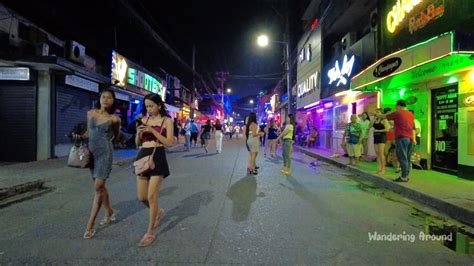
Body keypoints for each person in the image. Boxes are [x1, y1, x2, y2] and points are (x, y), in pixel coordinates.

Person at [74, 88, 121, 240]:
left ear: (113, 101)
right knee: (100, 186)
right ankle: (110, 212)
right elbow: (88, 132)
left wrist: (105, 142)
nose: (106, 99)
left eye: (109, 98)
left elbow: (116, 135)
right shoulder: (90, 114)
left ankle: (90, 225)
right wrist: (80, 136)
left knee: (97, 187)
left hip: (105, 153)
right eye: (103, 97)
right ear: (99, 98)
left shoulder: (114, 119)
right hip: (91, 153)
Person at [134, 93, 174, 247]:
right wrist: (138, 134)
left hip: (157, 156)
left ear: (159, 105)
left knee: (151, 197)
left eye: (151, 106)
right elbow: (137, 143)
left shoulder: (167, 120)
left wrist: (152, 130)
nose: (149, 109)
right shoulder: (144, 120)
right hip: (142, 156)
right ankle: (158, 212)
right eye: (146, 106)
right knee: (142, 197)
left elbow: (169, 142)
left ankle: (149, 233)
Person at [378, 100, 415, 182]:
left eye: (396, 106)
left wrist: (377, 115)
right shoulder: (411, 114)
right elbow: (411, 127)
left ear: (399, 106)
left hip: (402, 138)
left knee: (402, 157)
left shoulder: (398, 113)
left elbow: (385, 116)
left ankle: (403, 177)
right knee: (407, 158)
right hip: (410, 138)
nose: (395, 108)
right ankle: (406, 175)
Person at [371, 108, 390, 175]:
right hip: (376, 137)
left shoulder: (384, 120)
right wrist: (373, 118)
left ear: (381, 113)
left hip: (382, 137)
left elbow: (387, 129)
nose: (376, 113)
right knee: (377, 153)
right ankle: (379, 168)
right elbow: (370, 126)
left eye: (378, 112)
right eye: (376, 112)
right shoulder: (375, 120)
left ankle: (383, 169)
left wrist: (378, 131)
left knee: (381, 153)